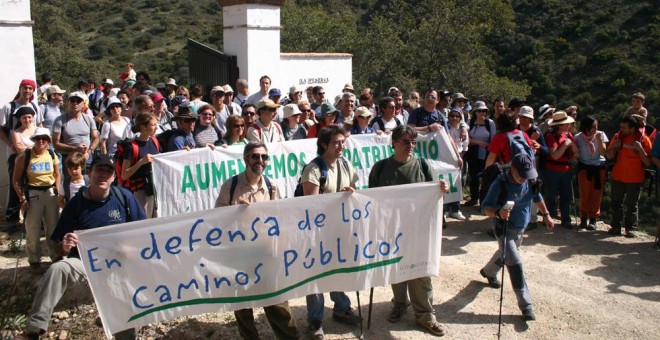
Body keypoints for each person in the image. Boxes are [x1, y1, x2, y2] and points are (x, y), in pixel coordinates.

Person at [21, 155, 146, 339]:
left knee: (124, 321)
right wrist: (64, 246)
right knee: (58, 269)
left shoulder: (124, 197)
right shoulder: (76, 204)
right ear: (90, 173)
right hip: (85, 265)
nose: (103, 175)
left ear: (113, 177)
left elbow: (143, 231)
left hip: (118, 266)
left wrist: (131, 248)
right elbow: (57, 245)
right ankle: (34, 329)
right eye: (99, 170)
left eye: (108, 171)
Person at [368, 125, 450, 337]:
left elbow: (436, 191)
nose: (410, 146)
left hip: (418, 229)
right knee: (396, 268)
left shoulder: (422, 165)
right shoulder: (380, 168)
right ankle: (399, 303)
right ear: (393, 143)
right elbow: (371, 199)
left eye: (413, 142)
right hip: (391, 230)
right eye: (405, 141)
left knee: (420, 270)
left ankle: (425, 314)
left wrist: (442, 188)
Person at [215, 142, 299, 339]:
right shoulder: (231, 185)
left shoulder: (271, 186)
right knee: (243, 306)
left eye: (264, 157)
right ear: (246, 159)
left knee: (277, 301)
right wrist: (235, 213)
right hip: (239, 255)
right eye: (255, 156)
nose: (260, 161)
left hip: (266, 253)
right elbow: (217, 219)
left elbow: (278, 219)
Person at [300, 126, 362, 339]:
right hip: (315, 232)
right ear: (324, 144)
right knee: (316, 274)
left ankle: (341, 307)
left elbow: (355, 189)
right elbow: (312, 205)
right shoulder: (314, 169)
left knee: (339, 268)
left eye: (343, 142)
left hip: (339, 228)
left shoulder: (346, 164)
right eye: (336, 142)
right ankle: (315, 319)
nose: (341, 146)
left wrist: (351, 195)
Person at [479, 153, 554, 322]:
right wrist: (498, 213)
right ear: (512, 169)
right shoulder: (500, 183)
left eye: (527, 175)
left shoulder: (530, 181)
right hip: (503, 229)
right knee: (516, 264)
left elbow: (537, 196)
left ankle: (488, 272)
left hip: (521, 228)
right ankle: (526, 306)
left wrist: (546, 215)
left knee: (504, 254)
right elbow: (485, 208)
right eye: (520, 175)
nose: (523, 179)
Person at [12, 128, 60, 274]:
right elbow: (16, 180)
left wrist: (57, 192)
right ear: (34, 140)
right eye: (38, 138)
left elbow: (57, 174)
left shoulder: (52, 155)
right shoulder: (25, 156)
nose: (41, 141)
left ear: (48, 141)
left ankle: (56, 257)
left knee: (53, 226)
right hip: (33, 194)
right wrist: (23, 199)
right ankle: (34, 260)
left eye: (44, 139)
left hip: (50, 193)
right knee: (32, 228)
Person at [606, 116, 652, 237]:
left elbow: (648, 162)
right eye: (621, 127)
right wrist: (615, 147)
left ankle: (630, 228)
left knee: (632, 204)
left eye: (624, 127)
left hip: (635, 177)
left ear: (632, 128)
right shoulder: (618, 137)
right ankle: (616, 226)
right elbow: (609, 156)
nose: (621, 129)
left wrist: (640, 149)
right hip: (618, 175)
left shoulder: (644, 140)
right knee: (616, 203)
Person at [121, 113, 161, 218]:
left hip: (155, 188)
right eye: (153, 125)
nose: (156, 127)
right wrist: (141, 162)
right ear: (143, 127)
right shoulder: (131, 146)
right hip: (141, 192)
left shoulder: (155, 141)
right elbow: (124, 175)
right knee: (144, 221)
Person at [543, 111, 578, 229]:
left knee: (566, 195)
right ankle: (549, 217)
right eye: (566, 123)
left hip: (566, 169)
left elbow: (576, 153)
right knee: (551, 195)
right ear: (560, 125)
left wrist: (571, 147)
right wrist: (565, 145)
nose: (569, 125)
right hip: (552, 169)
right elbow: (554, 155)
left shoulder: (568, 135)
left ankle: (566, 218)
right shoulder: (550, 136)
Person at [574, 116, 608, 230]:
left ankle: (593, 219)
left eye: (596, 126)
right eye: (593, 126)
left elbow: (604, 153)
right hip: (584, 168)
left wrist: (598, 140)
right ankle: (583, 218)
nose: (595, 129)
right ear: (586, 127)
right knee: (584, 194)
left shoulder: (601, 134)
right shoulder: (578, 137)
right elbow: (575, 153)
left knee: (596, 194)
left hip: (599, 168)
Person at [464, 101, 495, 206]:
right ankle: (474, 197)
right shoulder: (469, 122)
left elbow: (493, 139)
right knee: (474, 176)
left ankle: (484, 201)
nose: (482, 113)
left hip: (486, 153)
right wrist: (479, 142)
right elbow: (466, 139)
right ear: (475, 112)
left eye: (484, 111)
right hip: (472, 152)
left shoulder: (489, 123)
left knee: (485, 177)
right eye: (479, 111)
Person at [446, 107, 469, 220]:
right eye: (452, 116)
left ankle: (456, 209)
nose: (454, 118)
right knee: (447, 184)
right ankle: (446, 209)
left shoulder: (463, 130)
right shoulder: (445, 129)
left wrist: (460, 158)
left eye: (457, 116)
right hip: (446, 159)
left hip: (458, 159)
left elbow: (465, 147)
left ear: (460, 118)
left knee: (458, 185)